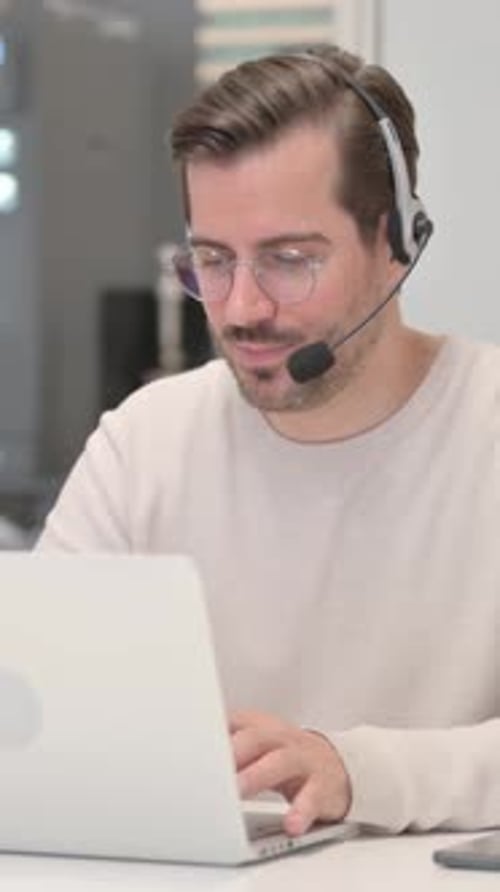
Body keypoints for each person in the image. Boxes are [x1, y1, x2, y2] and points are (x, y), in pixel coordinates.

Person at [37, 45, 499, 838]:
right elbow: (37, 719)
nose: (241, 308)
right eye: (213, 261)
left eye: (289, 260)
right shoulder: (144, 443)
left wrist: (360, 771)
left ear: (398, 242)